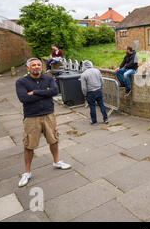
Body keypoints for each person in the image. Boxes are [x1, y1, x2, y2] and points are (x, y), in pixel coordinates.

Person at [16, 58, 71, 187]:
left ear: (41, 66)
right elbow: (23, 98)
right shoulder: (21, 82)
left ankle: (56, 162)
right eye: (33, 65)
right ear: (28, 68)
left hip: (48, 115)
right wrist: (45, 93)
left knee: (54, 139)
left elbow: (55, 91)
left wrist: (35, 92)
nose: (36, 67)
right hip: (32, 117)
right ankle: (27, 172)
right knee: (29, 145)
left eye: (38, 65)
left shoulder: (49, 79)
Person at [81, 60, 109, 125]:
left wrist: (85, 95)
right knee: (101, 105)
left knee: (92, 107)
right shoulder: (97, 70)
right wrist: (101, 87)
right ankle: (105, 119)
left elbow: (84, 87)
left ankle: (94, 121)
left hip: (90, 93)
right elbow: (102, 81)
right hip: (99, 90)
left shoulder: (83, 74)